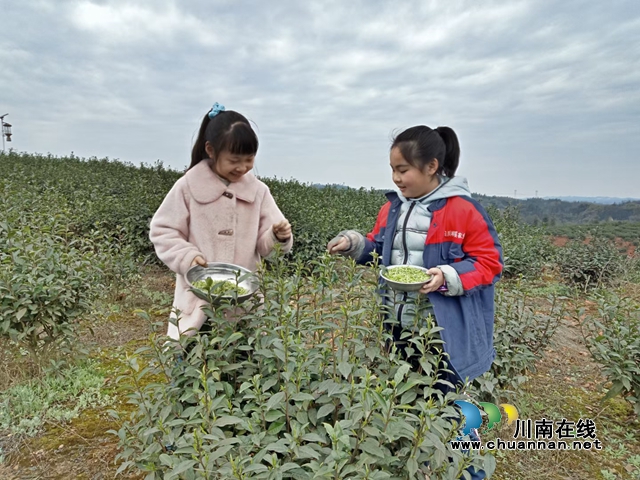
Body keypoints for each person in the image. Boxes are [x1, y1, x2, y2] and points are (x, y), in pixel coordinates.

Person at [327, 125, 503, 479]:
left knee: (447, 406)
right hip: (398, 324)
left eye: (403, 170)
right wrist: (354, 243)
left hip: (442, 335)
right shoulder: (392, 209)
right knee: (406, 399)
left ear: (431, 167)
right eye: (392, 170)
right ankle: (415, 465)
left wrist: (445, 277)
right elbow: (378, 246)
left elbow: (489, 262)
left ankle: (468, 472)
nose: (396, 178)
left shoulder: (463, 211)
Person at [150, 103, 293, 340]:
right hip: (198, 304)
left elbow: (268, 249)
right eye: (234, 160)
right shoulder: (188, 186)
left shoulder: (258, 192)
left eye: (249, 159)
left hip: (245, 307)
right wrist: (187, 257)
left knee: (243, 366)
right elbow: (163, 230)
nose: (243, 167)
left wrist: (278, 237)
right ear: (210, 150)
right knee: (192, 364)